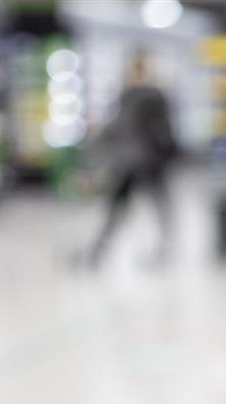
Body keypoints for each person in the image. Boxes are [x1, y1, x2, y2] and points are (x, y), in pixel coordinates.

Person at [85, 54, 177, 267]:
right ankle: (101, 250)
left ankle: (101, 250)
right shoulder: (138, 96)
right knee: (150, 207)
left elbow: (124, 127)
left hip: (138, 161)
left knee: (140, 207)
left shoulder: (142, 97)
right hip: (140, 161)